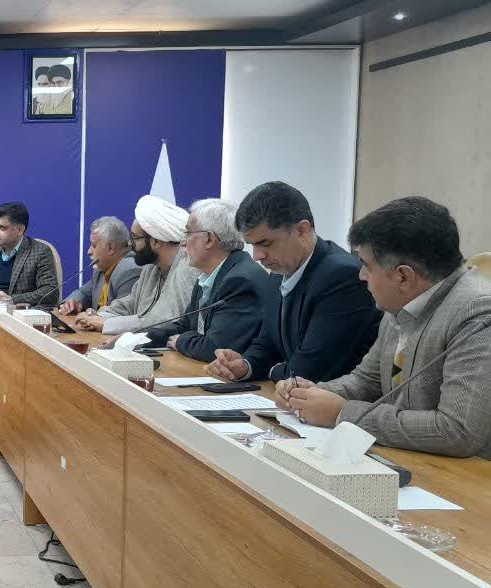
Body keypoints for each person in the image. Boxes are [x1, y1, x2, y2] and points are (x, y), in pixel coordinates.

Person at [280, 197, 491, 458]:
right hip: (411, 458)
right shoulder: (401, 301)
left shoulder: (478, 313)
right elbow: (368, 380)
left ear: (403, 276)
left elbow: (457, 431)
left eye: (366, 265)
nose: (361, 275)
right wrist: (310, 394)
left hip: (467, 475)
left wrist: (342, 414)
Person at [206, 181, 380, 383]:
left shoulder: (342, 276)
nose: (257, 256)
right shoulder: (278, 273)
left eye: (265, 243)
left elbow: (308, 372)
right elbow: (267, 343)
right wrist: (245, 365)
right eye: (252, 245)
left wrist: (274, 370)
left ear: (302, 230)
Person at [145, 199, 272, 361]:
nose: (183, 242)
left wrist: (182, 340)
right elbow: (185, 325)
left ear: (209, 239)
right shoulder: (207, 277)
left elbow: (215, 348)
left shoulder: (240, 281)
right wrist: (138, 338)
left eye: (188, 233)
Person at [76, 195, 196, 335]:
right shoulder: (151, 267)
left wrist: (106, 323)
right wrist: (98, 316)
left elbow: (162, 323)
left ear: (156, 242)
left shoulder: (187, 269)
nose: (130, 244)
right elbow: (129, 304)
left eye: (135, 238)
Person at [0, 202, 59, 307]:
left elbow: (50, 292)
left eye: (2, 228)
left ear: (20, 230)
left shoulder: (40, 251)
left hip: (18, 312)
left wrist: (12, 299)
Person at [59, 216, 138, 315]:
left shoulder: (129, 271)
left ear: (111, 247)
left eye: (94, 246)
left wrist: (95, 316)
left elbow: (121, 313)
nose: (89, 251)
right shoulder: (102, 268)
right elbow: (83, 293)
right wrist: (74, 302)